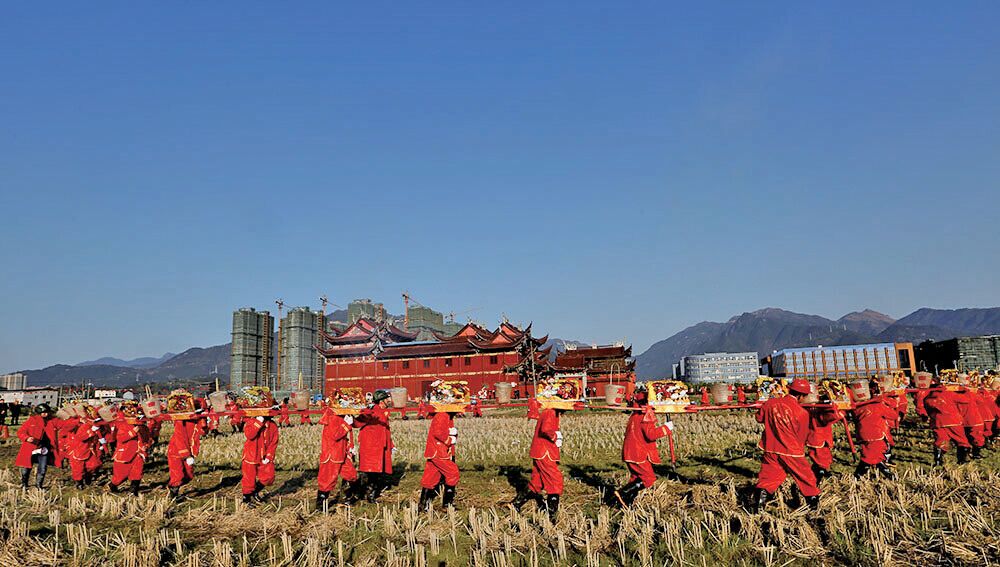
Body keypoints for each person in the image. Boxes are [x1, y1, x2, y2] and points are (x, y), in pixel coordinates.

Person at [753, 379, 820, 512]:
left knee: (769, 477)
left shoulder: (770, 403)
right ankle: (813, 507)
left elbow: (759, 418)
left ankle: (757, 508)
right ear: (802, 396)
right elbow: (801, 436)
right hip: (791, 450)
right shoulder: (802, 413)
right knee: (806, 478)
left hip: (771, 449)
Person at [614, 388, 673, 506]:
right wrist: (666, 428)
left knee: (636, 478)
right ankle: (623, 493)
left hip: (629, 452)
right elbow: (651, 435)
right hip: (638, 454)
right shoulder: (646, 416)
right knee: (649, 478)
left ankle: (624, 503)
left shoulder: (635, 415)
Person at [515, 405, 564, 521]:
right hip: (545, 452)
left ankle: (515, 504)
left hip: (540, 451)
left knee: (537, 483)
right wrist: (556, 436)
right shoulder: (550, 412)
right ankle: (552, 516)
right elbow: (546, 429)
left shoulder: (551, 412)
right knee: (555, 480)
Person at [354, 390, 394, 502]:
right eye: (387, 398)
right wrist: (350, 419)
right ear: (382, 400)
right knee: (370, 471)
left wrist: (391, 444)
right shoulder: (371, 412)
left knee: (376, 472)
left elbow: (386, 430)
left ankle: (367, 494)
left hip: (379, 446)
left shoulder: (383, 412)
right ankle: (359, 494)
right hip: (371, 447)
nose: (389, 400)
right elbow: (357, 423)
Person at [316, 407, 359, 510]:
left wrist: (350, 446)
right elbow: (336, 435)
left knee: (351, 474)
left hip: (342, 452)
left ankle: (348, 498)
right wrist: (347, 424)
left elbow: (354, 426)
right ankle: (321, 506)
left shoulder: (341, 416)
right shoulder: (333, 417)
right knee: (327, 480)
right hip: (332, 454)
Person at [852, 384, 898, 478]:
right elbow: (893, 415)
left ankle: (886, 473)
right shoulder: (877, 405)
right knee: (872, 455)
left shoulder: (857, 408)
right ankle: (858, 475)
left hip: (862, 435)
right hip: (876, 434)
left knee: (870, 453)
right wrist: (891, 403)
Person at [418, 408, 460, 510]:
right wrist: (450, 440)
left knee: (431, 477)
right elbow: (438, 433)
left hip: (435, 452)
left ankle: (423, 506)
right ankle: (447, 505)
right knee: (452, 473)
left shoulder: (445, 415)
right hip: (439, 452)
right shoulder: (443, 415)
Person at [924, 379, 971, 465]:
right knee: (961, 440)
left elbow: (928, 411)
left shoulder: (927, 398)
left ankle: (938, 462)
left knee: (940, 441)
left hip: (938, 422)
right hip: (953, 421)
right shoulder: (948, 393)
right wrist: (966, 390)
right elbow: (966, 400)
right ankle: (963, 460)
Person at [110, 404, 151, 496]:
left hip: (138, 454)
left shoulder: (144, 428)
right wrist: (132, 432)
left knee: (137, 473)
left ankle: (133, 491)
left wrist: (146, 446)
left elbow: (148, 439)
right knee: (120, 476)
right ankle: (113, 485)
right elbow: (120, 438)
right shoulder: (124, 426)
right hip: (125, 454)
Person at [15, 403, 59, 490]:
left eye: (47, 412)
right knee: (26, 467)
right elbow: (20, 432)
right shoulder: (32, 421)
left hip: (44, 448)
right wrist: (26, 438)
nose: (45, 414)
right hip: (30, 447)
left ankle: (39, 486)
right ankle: (24, 484)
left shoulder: (53, 421)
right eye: (43, 412)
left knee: (42, 468)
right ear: (39, 412)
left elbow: (65, 424)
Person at [241, 413, 279, 504]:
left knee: (269, 477)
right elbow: (250, 435)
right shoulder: (251, 422)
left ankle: (254, 492)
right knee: (249, 479)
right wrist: (258, 422)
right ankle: (246, 499)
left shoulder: (272, 425)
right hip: (251, 455)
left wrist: (269, 456)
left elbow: (273, 442)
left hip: (264, 456)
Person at [806, 395, 843, 484]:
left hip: (819, 438)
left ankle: (817, 476)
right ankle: (815, 482)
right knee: (821, 460)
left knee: (822, 459)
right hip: (819, 439)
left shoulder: (809, 408)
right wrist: (833, 407)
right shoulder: (819, 411)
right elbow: (833, 417)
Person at [67, 407, 104, 489]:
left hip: (91, 449)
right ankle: (79, 483)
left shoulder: (95, 425)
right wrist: (91, 431)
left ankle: (88, 476)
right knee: (78, 468)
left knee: (93, 465)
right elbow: (80, 437)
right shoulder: (83, 425)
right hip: (80, 449)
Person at [166, 417, 202, 498]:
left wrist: (204, 422)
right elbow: (179, 437)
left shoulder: (195, 419)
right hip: (176, 451)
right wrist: (186, 455)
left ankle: (172, 485)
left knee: (188, 475)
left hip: (188, 450)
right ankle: (174, 496)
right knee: (178, 476)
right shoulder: (180, 421)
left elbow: (201, 431)